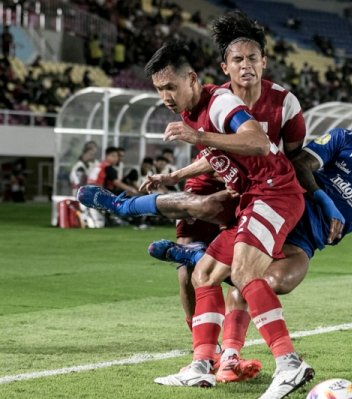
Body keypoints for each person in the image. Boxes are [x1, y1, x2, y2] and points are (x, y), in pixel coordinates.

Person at [79, 95, 352, 385]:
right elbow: (301, 163)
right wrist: (323, 199)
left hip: (304, 241)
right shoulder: (345, 140)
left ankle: (224, 349)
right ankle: (122, 206)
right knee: (208, 205)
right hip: (279, 205)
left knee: (268, 284)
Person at [79, 39, 312, 398]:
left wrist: (199, 136)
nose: (166, 97)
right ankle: (201, 365)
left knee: (245, 272)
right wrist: (174, 175)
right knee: (203, 273)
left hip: (273, 193)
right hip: (252, 198)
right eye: (159, 90)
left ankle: (289, 364)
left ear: (192, 79)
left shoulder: (219, 102)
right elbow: (218, 152)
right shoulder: (192, 110)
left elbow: (259, 142)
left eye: (171, 87)